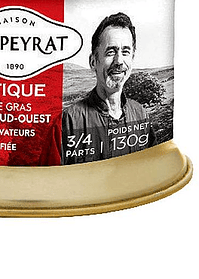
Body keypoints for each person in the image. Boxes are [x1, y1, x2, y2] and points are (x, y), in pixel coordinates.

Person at [39, 12, 155, 165]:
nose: (119, 61)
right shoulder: (68, 122)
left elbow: (152, 169)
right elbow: (48, 178)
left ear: (132, 58)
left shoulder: (140, 114)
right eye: (111, 52)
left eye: (125, 52)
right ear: (93, 61)